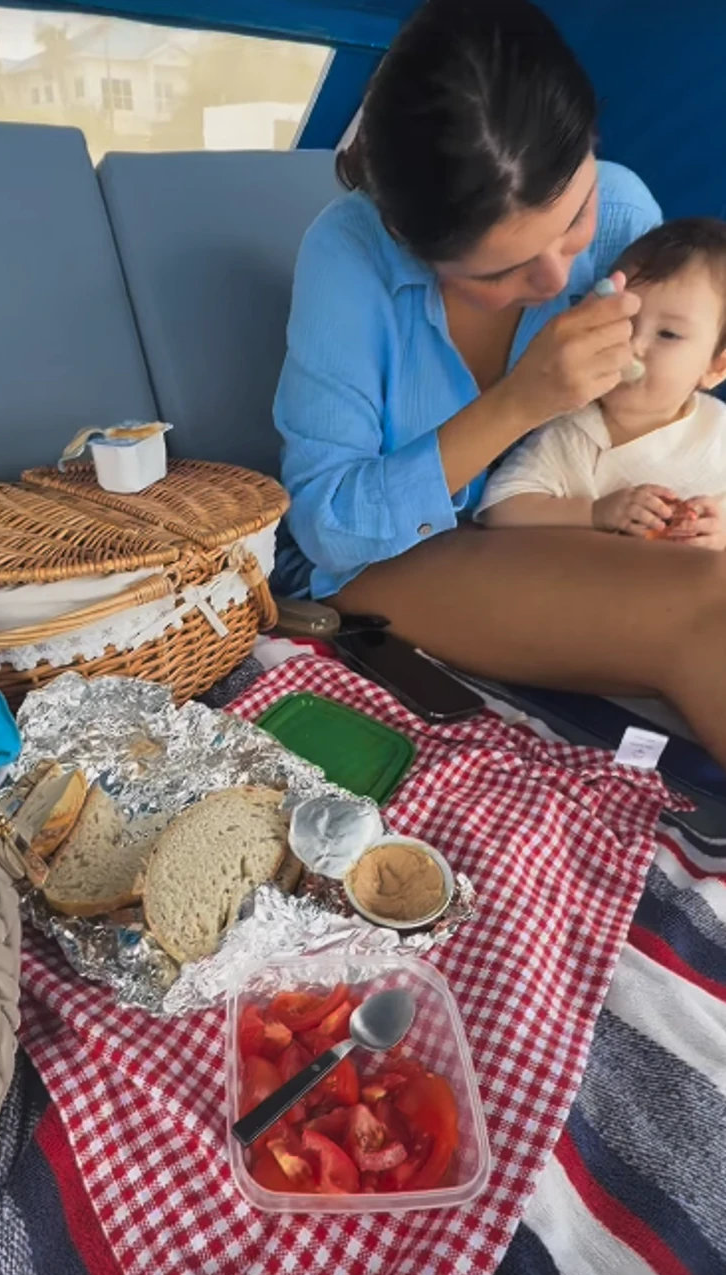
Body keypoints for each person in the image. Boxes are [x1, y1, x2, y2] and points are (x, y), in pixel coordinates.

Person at [273, 0, 726, 768]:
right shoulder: (350, 259)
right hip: (391, 559)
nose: (556, 278)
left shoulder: (621, 209)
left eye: (572, 217)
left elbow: (668, 409)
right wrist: (521, 398)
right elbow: (328, 526)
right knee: (706, 610)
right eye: (501, 270)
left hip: (567, 525)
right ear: (412, 243)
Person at [478, 219, 726, 545]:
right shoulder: (572, 428)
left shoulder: (716, 431)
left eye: (668, 334)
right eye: (622, 319)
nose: (633, 345)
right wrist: (594, 513)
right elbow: (500, 507)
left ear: (716, 367)